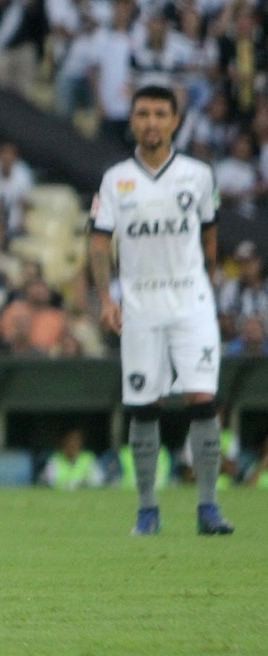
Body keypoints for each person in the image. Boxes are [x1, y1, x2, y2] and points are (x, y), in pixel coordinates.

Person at [88, 84, 233, 536]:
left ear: (175, 122)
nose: (151, 122)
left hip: (191, 303)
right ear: (132, 121)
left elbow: (210, 237)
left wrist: (205, 285)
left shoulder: (198, 175)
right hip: (140, 307)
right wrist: (106, 299)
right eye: (143, 114)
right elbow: (99, 243)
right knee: (144, 405)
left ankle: (208, 507)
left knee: (202, 400)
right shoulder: (115, 180)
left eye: (160, 114)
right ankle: (147, 510)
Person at [39, 428, 104, 490]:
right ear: (64, 441)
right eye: (71, 440)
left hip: (84, 495)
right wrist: (68, 485)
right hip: (61, 495)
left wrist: (80, 484)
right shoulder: (55, 459)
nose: (74, 444)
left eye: (77, 440)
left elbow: (98, 480)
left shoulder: (88, 458)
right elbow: (48, 482)